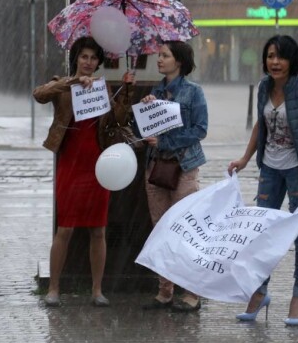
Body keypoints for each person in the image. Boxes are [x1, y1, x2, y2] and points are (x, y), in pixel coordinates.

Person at [227, 34, 298, 326]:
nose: (275, 62)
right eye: (271, 56)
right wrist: (245, 158)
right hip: (269, 169)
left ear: (291, 60)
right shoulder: (263, 87)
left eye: (281, 57)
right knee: (261, 231)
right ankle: (260, 292)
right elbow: (261, 125)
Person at [33, 36, 135, 308]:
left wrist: (125, 91)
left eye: (93, 58)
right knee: (64, 229)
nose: (89, 62)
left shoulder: (104, 88)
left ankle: (97, 290)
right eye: (84, 57)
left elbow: (119, 120)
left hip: (98, 165)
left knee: (98, 231)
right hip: (70, 163)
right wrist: (72, 82)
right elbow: (39, 94)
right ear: (76, 59)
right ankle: (54, 289)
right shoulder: (63, 85)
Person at [140, 41, 208, 313]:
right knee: (161, 229)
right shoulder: (155, 92)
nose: (159, 59)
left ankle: (192, 292)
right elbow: (144, 129)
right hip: (155, 168)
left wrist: (166, 142)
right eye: (159, 55)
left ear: (178, 61)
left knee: (185, 229)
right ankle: (164, 290)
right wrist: (146, 109)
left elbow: (200, 129)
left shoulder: (194, 93)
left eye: (164, 55)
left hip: (184, 167)